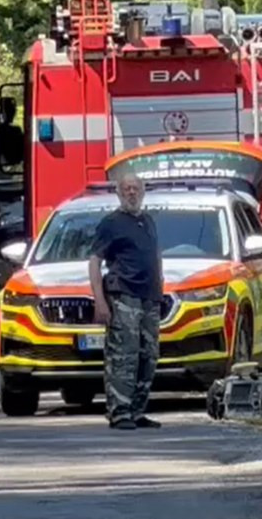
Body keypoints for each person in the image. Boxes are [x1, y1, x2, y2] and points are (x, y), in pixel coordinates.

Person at [89, 173, 163, 430]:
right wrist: (100, 301)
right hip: (123, 296)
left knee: (148, 355)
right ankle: (119, 411)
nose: (131, 193)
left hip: (150, 298)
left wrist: (160, 291)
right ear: (119, 193)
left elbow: (156, 258)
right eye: (126, 189)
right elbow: (95, 262)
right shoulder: (110, 223)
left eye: (135, 188)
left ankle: (136, 410)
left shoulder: (148, 221)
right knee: (124, 356)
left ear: (142, 192)